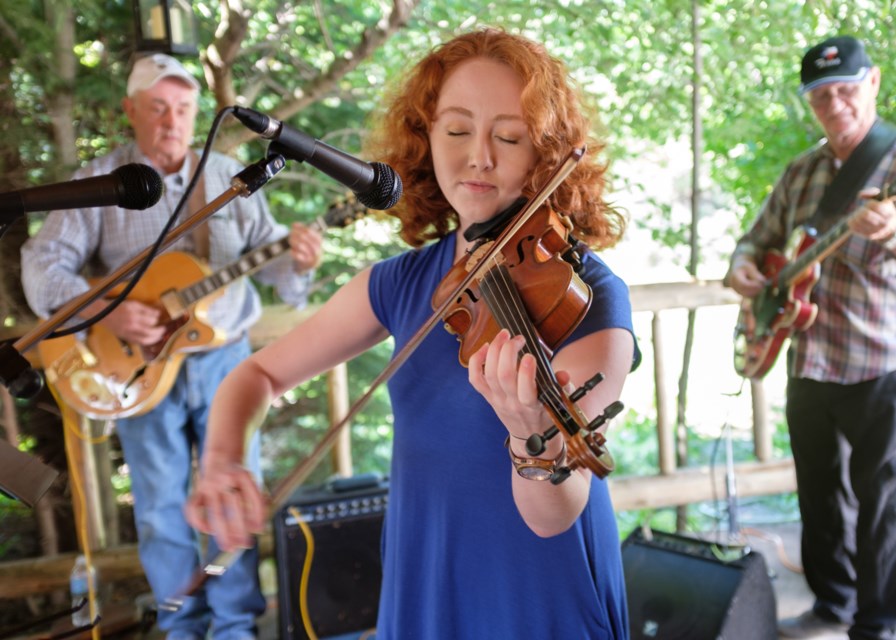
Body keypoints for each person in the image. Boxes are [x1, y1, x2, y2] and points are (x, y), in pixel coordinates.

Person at [184, 28, 638, 639]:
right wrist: (221, 459)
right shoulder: (400, 284)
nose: (479, 155)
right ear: (424, 140)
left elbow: (557, 514)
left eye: (508, 136)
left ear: (546, 156)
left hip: (534, 592)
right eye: (456, 130)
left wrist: (533, 441)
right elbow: (256, 374)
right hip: (426, 576)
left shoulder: (588, 296)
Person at [21, 53, 324, 640]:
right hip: (139, 371)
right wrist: (102, 306)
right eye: (157, 108)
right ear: (130, 111)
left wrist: (300, 262)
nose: (171, 121)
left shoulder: (233, 177)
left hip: (228, 366)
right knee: (161, 510)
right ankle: (182, 627)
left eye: (183, 109)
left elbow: (276, 268)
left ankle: (236, 626)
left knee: (232, 497)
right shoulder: (105, 182)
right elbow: (39, 267)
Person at [726, 35, 896, 640]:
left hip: (888, 358)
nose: (835, 104)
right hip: (809, 356)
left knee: (888, 500)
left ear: (873, 83)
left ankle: (880, 623)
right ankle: (833, 603)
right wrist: (745, 266)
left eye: (846, 89)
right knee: (821, 491)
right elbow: (758, 238)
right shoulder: (801, 171)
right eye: (821, 95)